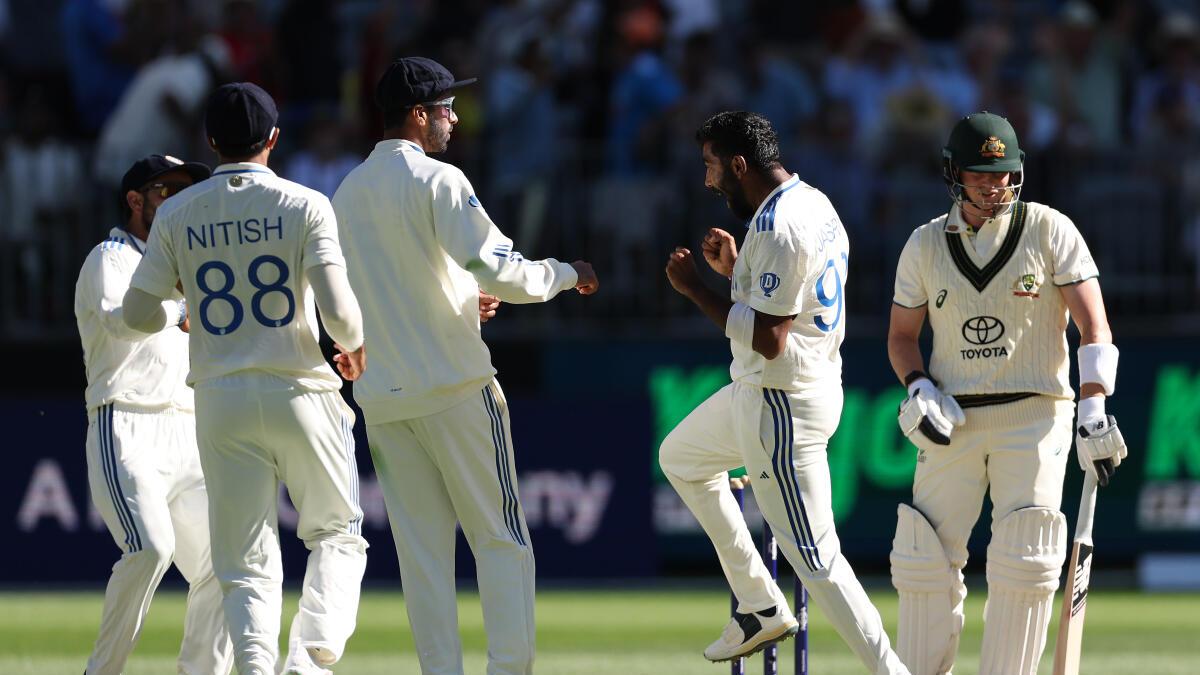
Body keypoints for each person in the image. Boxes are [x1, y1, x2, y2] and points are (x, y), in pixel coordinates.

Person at [331, 56, 598, 675]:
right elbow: (506, 272)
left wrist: (456, 297)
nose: (454, 118)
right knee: (502, 539)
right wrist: (568, 275)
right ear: (419, 115)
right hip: (454, 389)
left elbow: (365, 291)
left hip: (386, 400)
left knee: (423, 557)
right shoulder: (439, 180)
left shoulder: (346, 192)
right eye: (446, 108)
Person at [121, 82, 369, 675]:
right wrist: (356, 347)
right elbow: (338, 313)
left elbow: (134, 314)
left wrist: (183, 305)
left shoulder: (178, 211)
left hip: (221, 398)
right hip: (301, 387)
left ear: (211, 141)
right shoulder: (306, 204)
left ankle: (256, 667)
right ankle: (308, 661)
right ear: (275, 138)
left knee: (243, 557)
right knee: (337, 532)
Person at [661, 111, 910, 674]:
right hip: (788, 386)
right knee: (679, 457)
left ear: (739, 164)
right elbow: (791, 303)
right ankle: (758, 603)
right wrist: (737, 270)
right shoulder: (813, 202)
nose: (707, 179)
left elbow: (771, 338)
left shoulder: (777, 227)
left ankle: (892, 671)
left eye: (711, 165)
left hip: (779, 401)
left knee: (817, 561)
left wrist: (698, 289)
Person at [886, 111, 1127, 675]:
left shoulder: (1048, 228)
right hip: (952, 418)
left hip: (1036, 416)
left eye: (1003, 175)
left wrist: (1093, 408)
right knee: (922, 562)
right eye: (981, 174)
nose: (994, 186)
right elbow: (901, 335)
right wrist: (917, 384)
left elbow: (1095, 326)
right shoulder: (923, 244)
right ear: (954, 174)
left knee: (1026, 560)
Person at [75, 154, 232, 675]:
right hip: (126, 423)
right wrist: (183, 306)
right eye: (167, 190)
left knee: (223, 563)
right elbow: (124, 323)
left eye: (186, 191)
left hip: (187, 426)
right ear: (135, 201)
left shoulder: (189, 262)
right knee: (150, 548)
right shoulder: (110, 257)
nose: (178, 201)